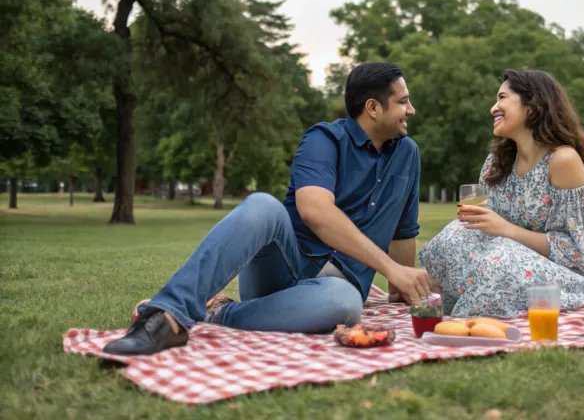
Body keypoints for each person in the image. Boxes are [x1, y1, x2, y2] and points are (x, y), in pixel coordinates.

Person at [104, 62, 432, 356]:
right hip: (282, 271)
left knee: (345, 302)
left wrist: (402, 288)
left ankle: (218, 313)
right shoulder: (324, 139)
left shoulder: (408, 154)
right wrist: (390, 268)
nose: (411, 109)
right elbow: (315, 212)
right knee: (262, 205)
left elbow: (404, 229)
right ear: (373, 108)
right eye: (403, 101)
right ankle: (166, 315)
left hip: (334, 292)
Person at [419, 69, 584, 317]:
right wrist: (483, 219)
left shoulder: (563, 160)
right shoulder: (497, 161)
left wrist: (505, 229)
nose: (493, 108)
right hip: (505, 255)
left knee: (501, 261)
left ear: (531, 106)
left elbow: (581, 253)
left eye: (502, 98)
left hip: (562, 274)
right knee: (455, 235)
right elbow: (489, 225)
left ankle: (464, 318)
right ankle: (447, 302)